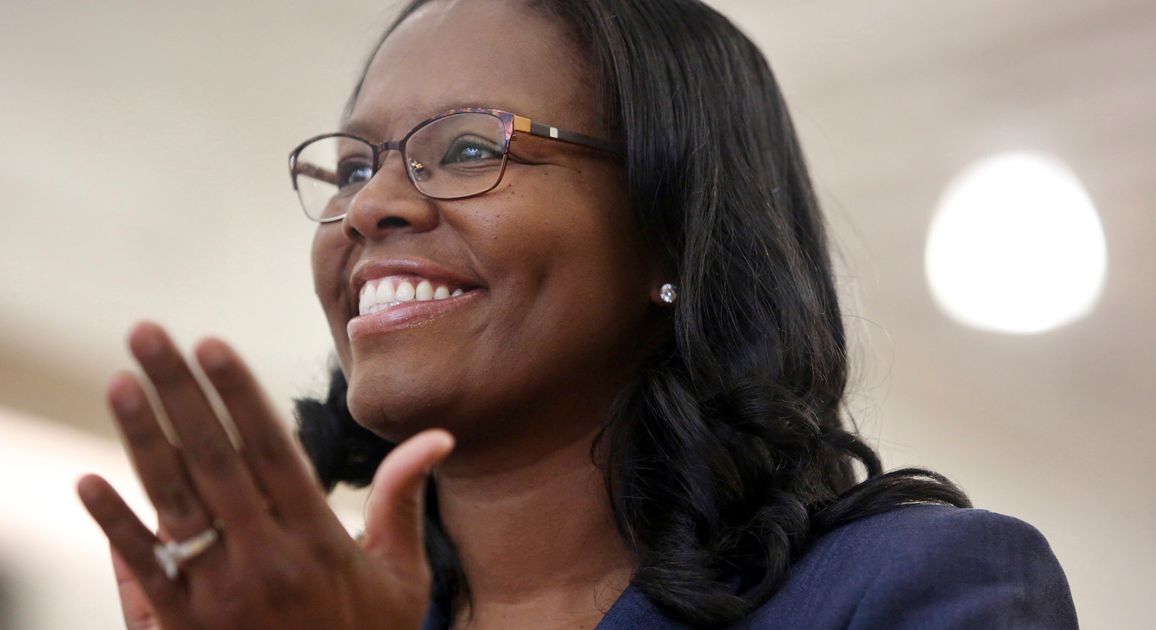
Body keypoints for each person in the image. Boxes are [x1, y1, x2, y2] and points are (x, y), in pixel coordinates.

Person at [77, 0, 1079, 628]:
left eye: (468, 149)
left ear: (669, 234)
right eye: (350, 166)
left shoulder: (917, 591)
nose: (372, 203)